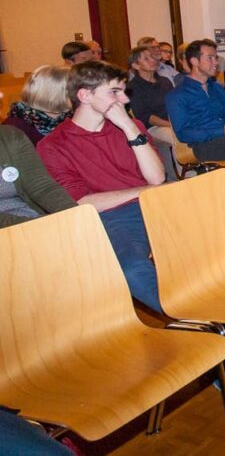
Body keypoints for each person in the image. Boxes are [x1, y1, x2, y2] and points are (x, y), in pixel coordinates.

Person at [37, 61, 165, 312]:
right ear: (85, 95)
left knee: (214, 240)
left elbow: (157, 178)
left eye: (124, 91)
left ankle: (222, 306)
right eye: (114, 92)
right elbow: (81, 203)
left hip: (158, 203)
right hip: (114, 216)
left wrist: (129, 127)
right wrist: (143, 192)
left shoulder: (132, 128)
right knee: (132, 269)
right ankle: (194, 316)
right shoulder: (53, 146)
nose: (124, 100)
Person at [165, 39, 225, 168]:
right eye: (210, 58)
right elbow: (183, 134)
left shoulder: (217, 88)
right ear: (194, 61)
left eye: (216, 58)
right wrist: (222, 131)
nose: (216, 62)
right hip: (202, 145)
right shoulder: (177, 95)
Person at [0, 124, 76, 228]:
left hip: (33, 218)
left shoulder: (9, 136)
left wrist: (73, 214)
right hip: (15, 228)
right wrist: (37, 226)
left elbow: (41, 186)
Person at [125, 46, 177, 181]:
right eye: (146, 59)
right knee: (176, 137)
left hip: (171, 122)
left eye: (153, 57)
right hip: (153, 126)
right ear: (136, 65)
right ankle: (179, 177)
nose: (153, 60)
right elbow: (145, 116)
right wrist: (171, 125)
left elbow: (175, 105)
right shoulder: (132, 87)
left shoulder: (165, 81)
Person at [2, 65, 70, 145]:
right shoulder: (15, 128)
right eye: (74, 89)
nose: (79, 93)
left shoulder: (71, 118)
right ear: (53, 94)